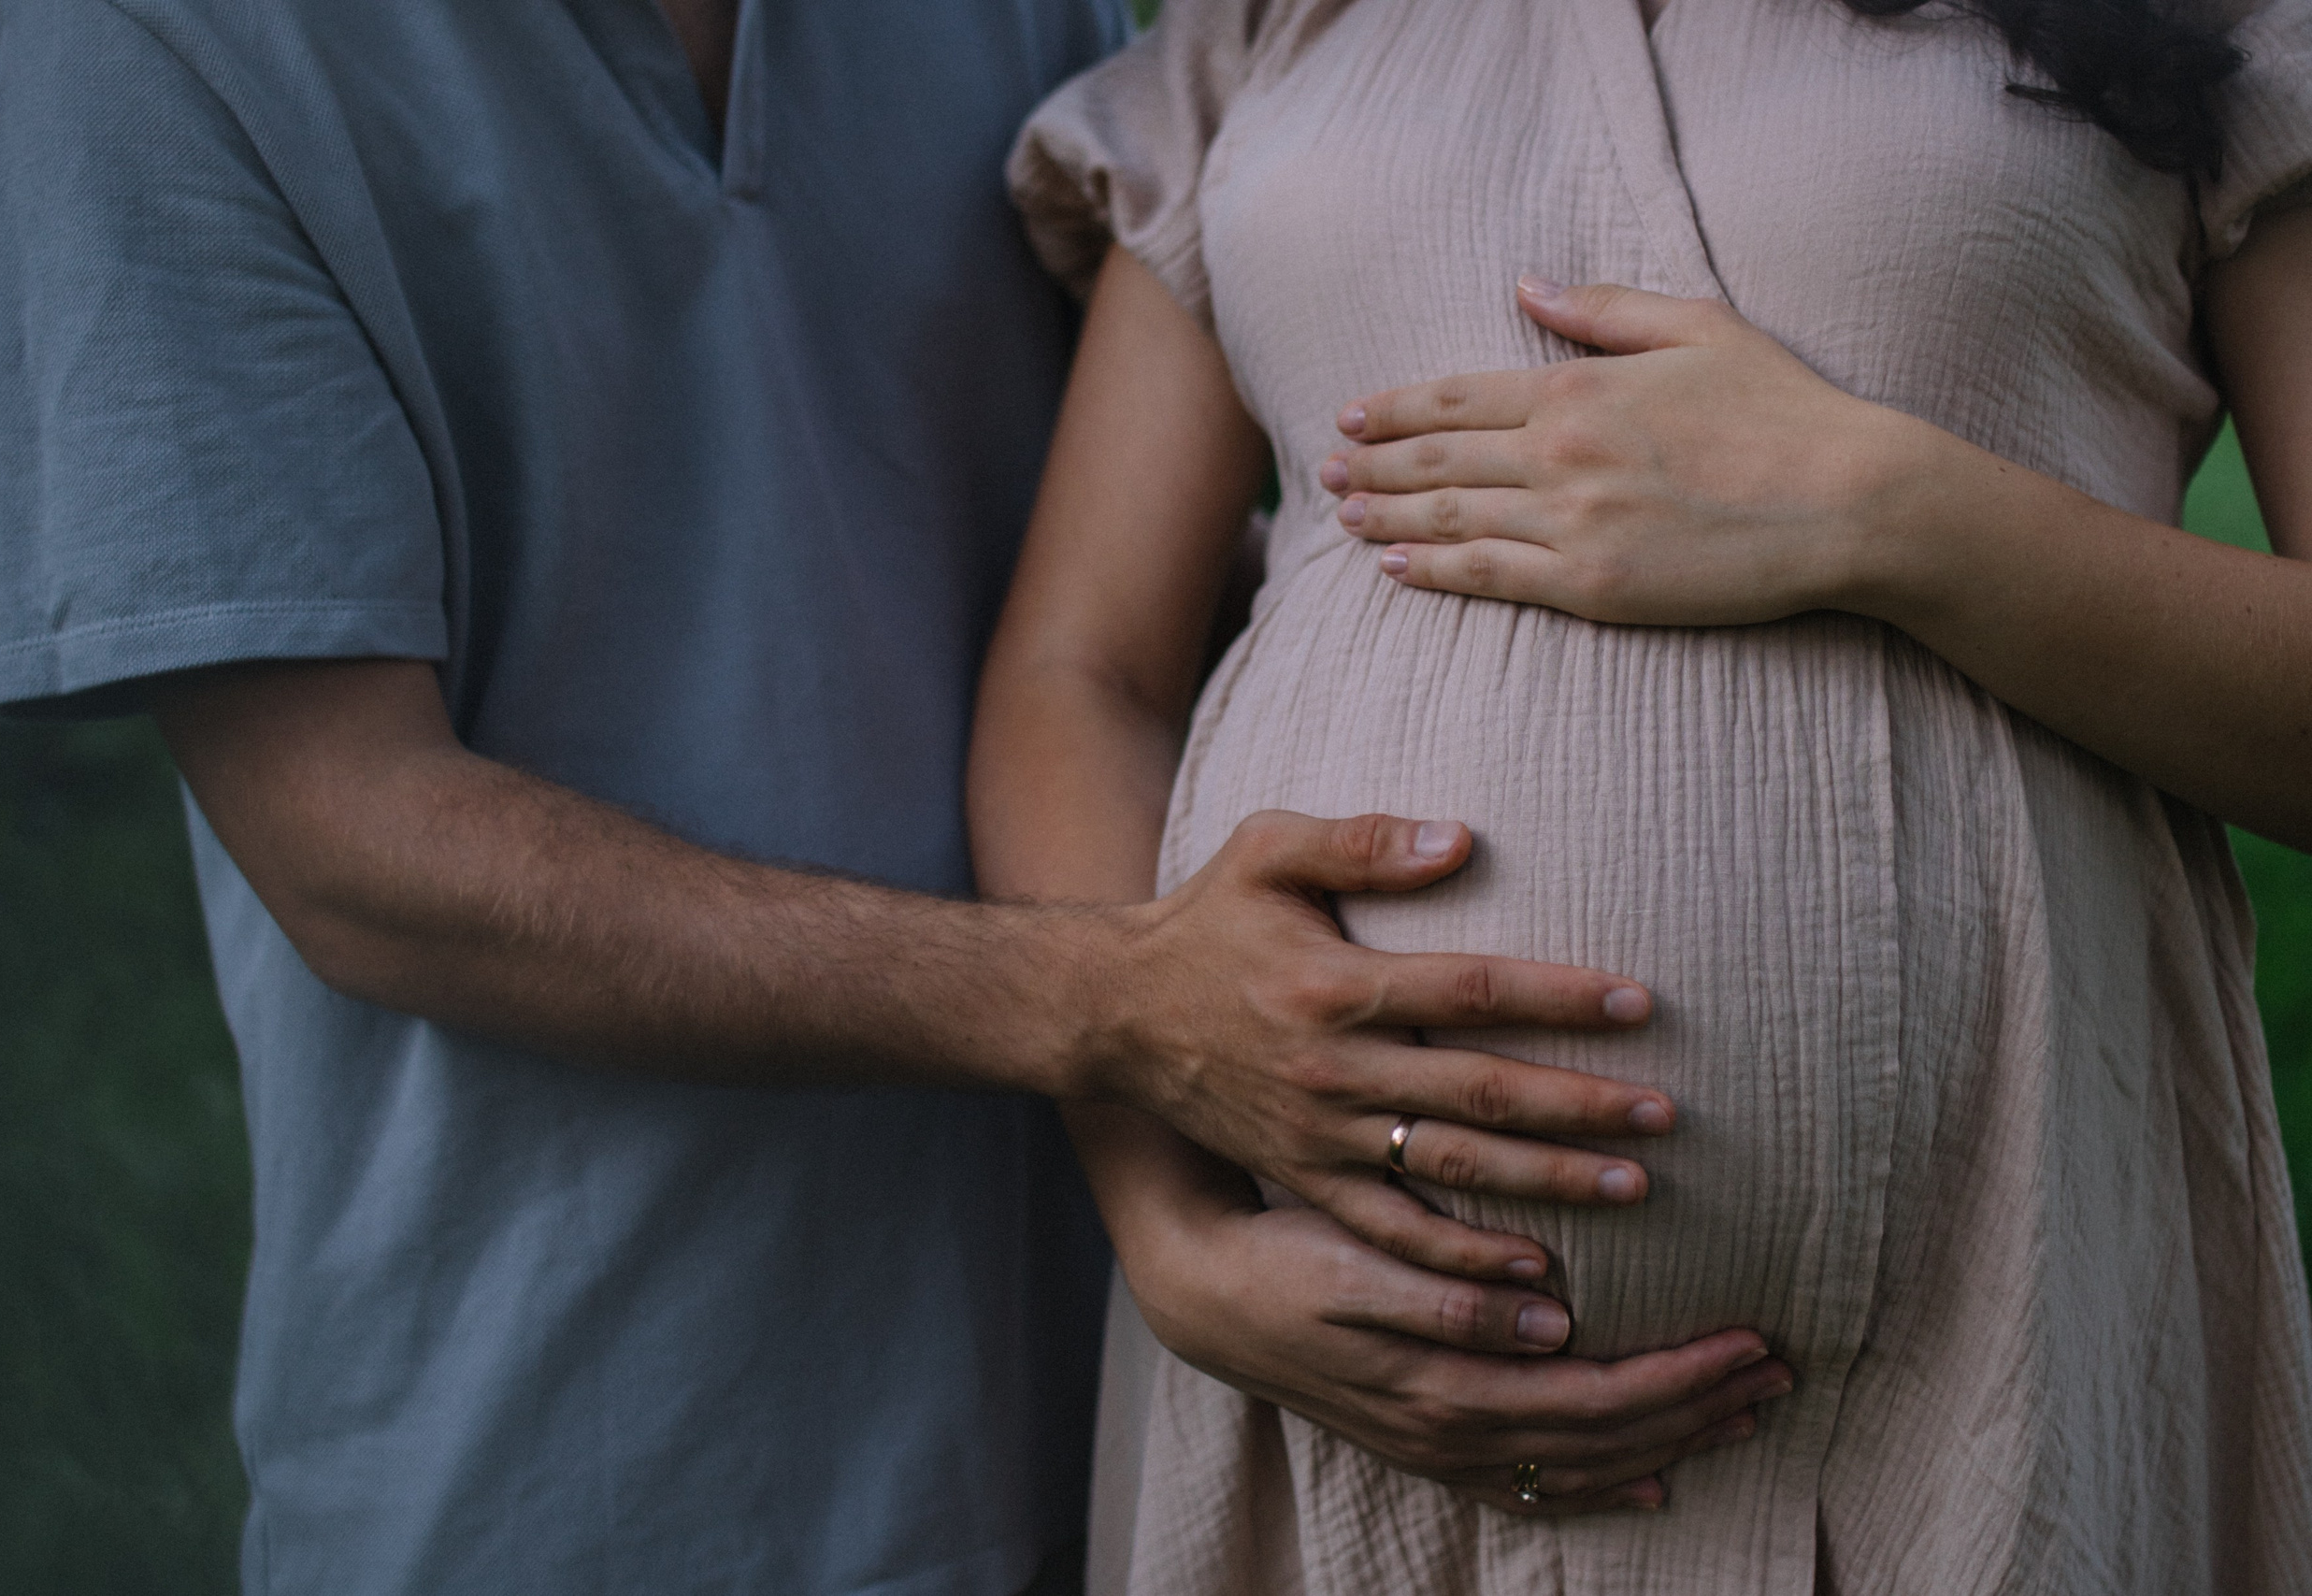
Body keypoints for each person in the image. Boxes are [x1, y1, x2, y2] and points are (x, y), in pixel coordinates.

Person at [0, 0, 1784, 1590]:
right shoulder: (135, 48)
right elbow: (359, 847)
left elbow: (1129, 591)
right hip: (573, 1476)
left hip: (1137, 1410)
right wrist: (1120, 1005)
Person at [975, 0, 2312, 1589]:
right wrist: (1168, 1212)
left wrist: (1892, 513)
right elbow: (1082, 675)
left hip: (1983, 1356)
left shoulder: (2197, 22)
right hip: (1335, 1396)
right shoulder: (1269, 34)